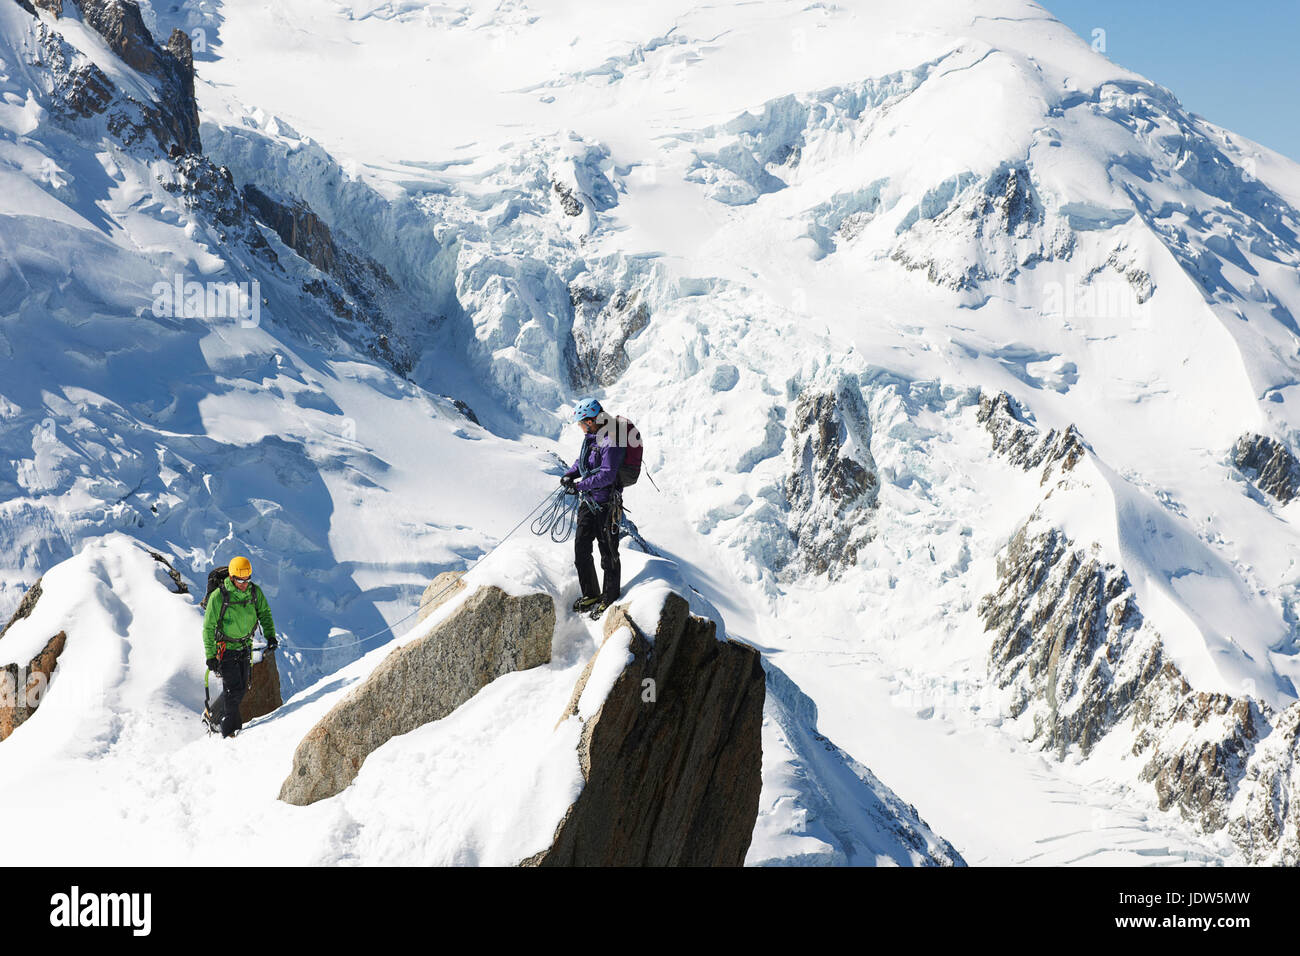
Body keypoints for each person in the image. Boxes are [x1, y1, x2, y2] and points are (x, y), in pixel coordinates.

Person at [561, 399, 625, 617]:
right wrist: (570, 474)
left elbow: (607, 474)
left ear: (590, 421)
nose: (579, 426)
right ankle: (591, 594)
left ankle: (609, 598)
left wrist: (579, 485)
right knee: (581, 549)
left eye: (581, 423)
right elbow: (583, 462)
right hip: (589, 502)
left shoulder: (613, 440)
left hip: (606, 505)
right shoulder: (592, 438)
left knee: (608, 553)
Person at [202, 555, 276, 738]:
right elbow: (208, 627)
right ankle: (228, 731)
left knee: (242, 688)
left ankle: (221, 721)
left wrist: (270, 636)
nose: (245, 583)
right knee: (233, 689)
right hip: (225, 649)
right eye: (241, 580)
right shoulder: (219, 596)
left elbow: (265, 613)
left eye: (247, 579)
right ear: (232, 577)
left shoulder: (254, 592)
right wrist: (211, 655)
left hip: (244, 646)